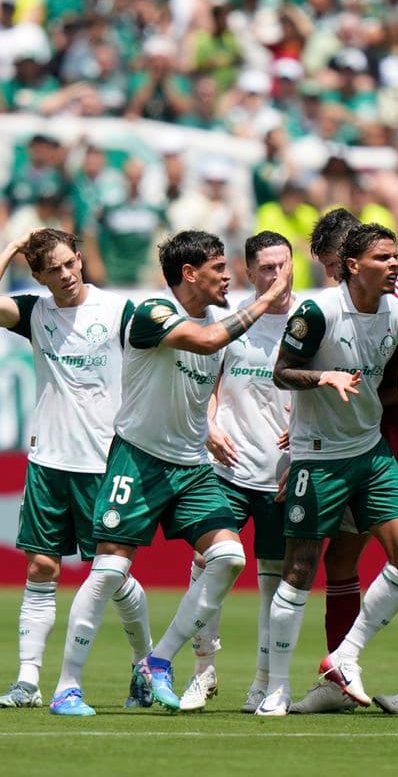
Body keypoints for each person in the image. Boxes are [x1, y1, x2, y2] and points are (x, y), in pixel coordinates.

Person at [53, 230, 292, 715]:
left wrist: (208, 426)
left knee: (228, 557)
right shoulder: (153, 313)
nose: (229, 276)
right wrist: (267, 298)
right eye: (219, 268)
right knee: (111, 570)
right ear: (189, 274)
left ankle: (157, 662)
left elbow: (220, 382)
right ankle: (67, 686)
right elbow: (205, 342)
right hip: (138, 458)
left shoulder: (224, 322)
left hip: (191, 468)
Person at [0, 228, 152, 712]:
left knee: (110, 575)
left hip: (104, 460)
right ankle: (28, 682)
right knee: (42, 566)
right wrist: (9, 247)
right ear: (39, 275)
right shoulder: (35, 313)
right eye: (54, 269)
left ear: (81, 260)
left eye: (71, 263)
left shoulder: (118, 311)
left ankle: (144, 665)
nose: (66, 274)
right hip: (49, 459)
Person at [256, 223, 398, 716]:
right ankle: (276, 688)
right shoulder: (318, 310)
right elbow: (280, 372)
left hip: (371, 452)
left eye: (395, 256)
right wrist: (323, 377)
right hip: (318, 455)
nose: (393, 265)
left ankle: (345, 657)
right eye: (382, 258)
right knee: (298, 570)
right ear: (352, 266)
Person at [178, 231, 297, 713]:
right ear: (249, 273)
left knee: (274, 582)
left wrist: (305, 449)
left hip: (283, 474)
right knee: (208, 566)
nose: (276, 275)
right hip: (226, 469)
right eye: (266, 268)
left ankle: (265, 681)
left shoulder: (310, 321)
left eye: (282, 265)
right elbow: (207, 382)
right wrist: (208, 426)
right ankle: (202, 671)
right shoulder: (230, 322)